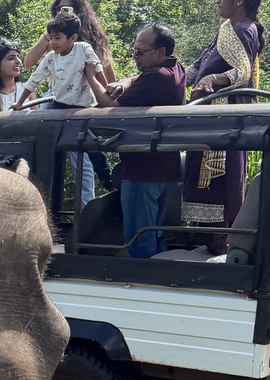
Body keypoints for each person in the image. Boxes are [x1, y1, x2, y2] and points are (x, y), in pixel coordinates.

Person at [84, 23, 186, 257]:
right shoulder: (176, 69)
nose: (134, 57)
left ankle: (141, 284)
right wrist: (125, 82)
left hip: (143, 172)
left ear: (160, 52)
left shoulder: (156, 78)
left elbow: (109, 106)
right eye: (134, 51)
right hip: (166, 169)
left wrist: (90, 74)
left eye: (140, 52)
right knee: (156, 233)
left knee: (139, 238)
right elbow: (139, 76)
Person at [182, 0, 266, 252]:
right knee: (205, 181)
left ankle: (223, 245)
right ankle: (208, 240)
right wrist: (169, 80)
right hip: (211, 119)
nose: (218, 2)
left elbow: (241, 72)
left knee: (221, 181)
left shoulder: (244, 29)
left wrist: (212, 78)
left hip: (226, 121)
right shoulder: (226, 28)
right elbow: (197, 67)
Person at [15, 12, 108, 207]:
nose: (53, 43)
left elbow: (97, 72)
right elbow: (35, 79)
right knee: (45, 138)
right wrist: (20, 103)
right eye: (50, 39)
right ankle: (39, 182)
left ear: (72, 38)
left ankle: (109, 182)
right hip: (60, 104)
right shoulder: (51, 57)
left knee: (94, 149)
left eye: (57, 38)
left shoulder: (83, 49)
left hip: (84, 107)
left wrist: (107, 95)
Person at [24, 0, 116, 82]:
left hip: (87, 95)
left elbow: (106, 67)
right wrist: (50, 35)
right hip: (57, 94)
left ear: (79, 10)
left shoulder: (92, 37)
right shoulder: (50, 36)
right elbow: (28, 62)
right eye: (60, 8)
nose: (64, 12)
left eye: (68, 8)